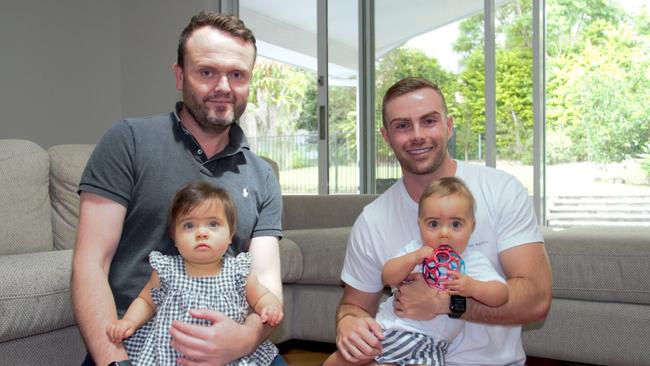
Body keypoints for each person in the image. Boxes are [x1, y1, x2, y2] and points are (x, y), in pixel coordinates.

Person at [71, 11, 286, 366]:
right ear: (179, 75)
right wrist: (115, 361)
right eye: (207, 72)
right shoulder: (129, 141)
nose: (223, 87)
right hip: (139, 346)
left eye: (237, 75)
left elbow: (264, 280)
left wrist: (245, 339)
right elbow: (91, 263)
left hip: (234, 346)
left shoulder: (262, 175)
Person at [332, 77, 552, 366]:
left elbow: (537, 300)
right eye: (402, 126)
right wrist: (348, 323)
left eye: (429, 121)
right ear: (386, 137)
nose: (417, 135)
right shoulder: (373, 219)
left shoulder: (500, 190)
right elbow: (354, 305)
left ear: (448, 126)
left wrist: (444, 304)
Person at [324, 177, 509, 366]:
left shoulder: (473, 261)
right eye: (433, 224)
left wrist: (473, 287)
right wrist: (412, 258)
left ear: (472, 226)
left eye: (456, 224)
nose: (444, 233)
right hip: (390, 331)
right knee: (344, 359)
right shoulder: (415, 250)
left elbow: (501, 295)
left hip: (432, 345)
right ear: (420, 225)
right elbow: (387, 276)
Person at [106, 181, 283, 365]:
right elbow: (146, 302)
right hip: (170, 355)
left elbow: (261, 296)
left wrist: (269, 307)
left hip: (227, 356)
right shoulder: (166, 271)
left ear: (230, 234)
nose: (201, 233)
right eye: (189, 226)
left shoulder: (239, 272)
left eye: (213, 224)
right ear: (174, 237)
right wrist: (129, 322)